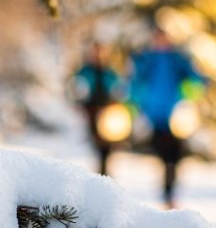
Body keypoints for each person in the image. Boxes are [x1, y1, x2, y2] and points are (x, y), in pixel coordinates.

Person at [129, 26, 204, 208]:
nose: (160, 41)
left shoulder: (178, 59)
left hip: (176, 117)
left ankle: (169, 193)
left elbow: (196, 81)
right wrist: (136, 107)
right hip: (154, 117)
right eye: (157, 38)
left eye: (163, 38)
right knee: (163, 154)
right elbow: (134, 84)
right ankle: (167, 191)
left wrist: (188, 96)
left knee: (174, 156)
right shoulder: (145, 59)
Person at [71, 41, 126, 175]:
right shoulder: (85, 71)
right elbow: (77, 89)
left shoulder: (109, 72)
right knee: (97, 142)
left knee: (107, 144)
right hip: (92, 110)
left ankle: (104, 171)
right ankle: (102, 171)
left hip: (108, 112)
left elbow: (118, 90)